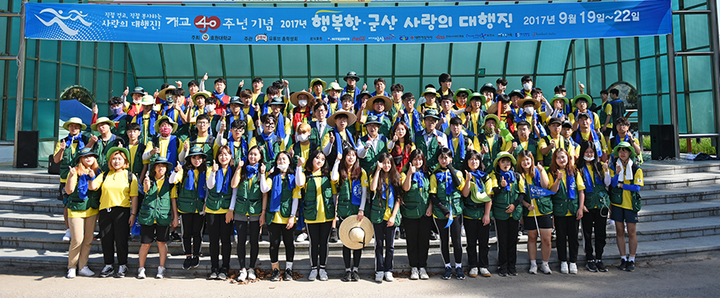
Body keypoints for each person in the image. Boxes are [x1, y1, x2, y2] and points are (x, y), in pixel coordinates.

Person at [89, 147, 139, 278]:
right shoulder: (104, 175)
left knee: (121, 239)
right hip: (105, 210)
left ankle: (123, 264)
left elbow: (134, 196)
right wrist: (90, 177)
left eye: (119, 159)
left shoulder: (130, 176)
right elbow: (93, 187)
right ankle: (108, 264)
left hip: (122, 211)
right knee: (106, 239)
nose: (116, 161)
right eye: (114, 159)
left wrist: (133, 214)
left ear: (125, 161)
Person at [295, 150, 335, 281]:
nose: (320, 161)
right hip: (311, 215)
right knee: (314, 242)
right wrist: (299, 166)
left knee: (324, 243)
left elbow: (334, 193)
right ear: (312, 159)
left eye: (322, 159)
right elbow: (300, 183)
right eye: (317, 158)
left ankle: (322, 268)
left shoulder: (327, 176)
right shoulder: (306, 175)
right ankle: (313, 268)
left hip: (326, 216)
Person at [264, 151, 303, 281]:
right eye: (279, 159)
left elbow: (296, 198)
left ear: (289, 161)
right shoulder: (272, 177)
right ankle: (275, 269)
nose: (281, 161)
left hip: (288, 216)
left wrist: (292, 216)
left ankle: (288, 269)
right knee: (274, 244)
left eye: (284, 159)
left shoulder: (293, 177)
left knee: (289, 243)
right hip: (273, 216)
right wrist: (263, 173)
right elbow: (264, 189)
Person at [137, 156, 178, 279]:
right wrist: (146, 185)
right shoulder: (148, 180)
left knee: (162, 243)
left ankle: (161, 268)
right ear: (154, 168)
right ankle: (141, 268)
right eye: (159, 166)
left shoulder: (170, 182)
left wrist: (175, 217)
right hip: (148, 216)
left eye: (164, 166)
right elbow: (145, 192)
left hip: (163, 216)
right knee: (145, 243)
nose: (161, 168)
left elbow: (173, 200)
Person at [54, 117, 95, 241]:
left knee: (84, 202)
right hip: (66, 178)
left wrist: (92, 143)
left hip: (83, 177)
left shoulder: (85, 139)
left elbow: (86, 154)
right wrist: (62, 149)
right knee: (67, 205)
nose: (74, 128)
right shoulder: (62, 141)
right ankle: (69, 229)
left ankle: (84, 229)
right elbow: (56, 160)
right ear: (68, 127)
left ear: (80, 128)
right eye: (72, 126)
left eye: (76, 126)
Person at [331, 147, 368, 282]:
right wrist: (337, 161)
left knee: (357, 240)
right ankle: (347, 270)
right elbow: (333, 178)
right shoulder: (340, 172)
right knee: (346, 242)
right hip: (343, 211)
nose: (351, 158)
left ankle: (356, 269)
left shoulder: (361, 172)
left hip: (357, 211)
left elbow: (364, 192)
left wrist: (362, 209)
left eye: (353, 155)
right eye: (348, 155)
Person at [64, 148, 101, 278]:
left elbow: (94, 188)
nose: (88, 158)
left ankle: (83, 266)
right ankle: (72, 267)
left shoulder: (97, 171)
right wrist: (72, 176)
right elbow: (69, 191)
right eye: (85, 157)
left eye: (91, 156)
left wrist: (92, 177)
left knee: (88, 240)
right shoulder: (75, 171)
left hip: (91, 209)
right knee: (77, 240)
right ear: (81, 159)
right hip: (76, 209)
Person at [230, 145, 265, 282]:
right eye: (251, 154)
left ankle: (251, 268)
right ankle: (242, 269)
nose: (253, 157)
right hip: (241, 209)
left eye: (256, 155)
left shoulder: (262, 171)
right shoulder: (242, 170)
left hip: (256, 210)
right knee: (241, 241)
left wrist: (262, 213)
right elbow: (234, 186)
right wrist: (238, 168)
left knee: (254, 241)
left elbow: (264, 193)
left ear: (260, 157)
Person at [430, 147, 466, 280]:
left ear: (450, 158)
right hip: (441, 212)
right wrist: (444, 211)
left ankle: (458, 266)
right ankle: (447, 266)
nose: (444, 160)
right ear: (438, 159)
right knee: (444, 240)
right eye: (441, 158)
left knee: (456, 240)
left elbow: (459, 185)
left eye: (446, 157)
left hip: (456, 210)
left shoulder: (458, 173)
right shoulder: (435, 175)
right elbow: (433, 196)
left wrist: (451, 168)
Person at [576, 141, 612, 273]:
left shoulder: (600, 166)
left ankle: (599, 258)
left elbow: (607, 183)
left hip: (601, 203)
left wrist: (607, 171)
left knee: (600, 233)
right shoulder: (578, 168)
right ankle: (589, 258)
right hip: (587, 204)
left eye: (591, 152)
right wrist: (581, 205)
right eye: (587, 152)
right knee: (587, 233)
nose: (589, 154)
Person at [486, 151, 524, 277]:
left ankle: (512, 266)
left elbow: (522, 193)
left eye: (508, 161)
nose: (506, 164)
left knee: (513, 240)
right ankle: (502, 266)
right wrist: (501, 187)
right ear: (498, 163)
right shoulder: (494, 176)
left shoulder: (517, 176)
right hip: (500, 212)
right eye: (503, 162)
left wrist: (514, 205)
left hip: (514, 212)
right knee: (502, 240)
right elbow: (493, 192)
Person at [548, 148, 585, 274]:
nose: (561, 160)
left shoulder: (574, 172)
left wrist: (580, 207)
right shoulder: (552, 173)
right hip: (560, 210)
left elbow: (580, 190)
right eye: (558, 158)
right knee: (561, 237)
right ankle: (563, 260)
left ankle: (573, 261)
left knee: (573, 237)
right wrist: (558, 179)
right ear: (555, 160)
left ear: (568, 158)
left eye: (563, 157)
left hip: (573, 209)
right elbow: (552, 191)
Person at [516, 150, 553, 275]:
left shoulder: (537, 171)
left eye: (528, 159)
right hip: (530, 211)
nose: (526, 162)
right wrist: (526, 205)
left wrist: (542, 171)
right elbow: (518, 195)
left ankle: (545, 263)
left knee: (546, 239)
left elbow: (545, 185)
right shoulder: (518, 175)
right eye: (523, 160)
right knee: (532, 238)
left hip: (543, 209)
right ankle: (533, 263)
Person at [609, 141, 644, 272]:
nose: (622, 153)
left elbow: (637, 187)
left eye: (625, 150)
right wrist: (617, 174)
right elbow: (612, 184)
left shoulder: (636, 168)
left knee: (631, 232)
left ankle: (632, 259)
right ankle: (623, 258)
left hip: (630, 204)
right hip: (617, 203)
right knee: (619, 231)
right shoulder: (614, 166)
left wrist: (622, 185)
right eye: (620, 150)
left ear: (630, 153)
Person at [368, 152, 402, 283]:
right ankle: (379, 270)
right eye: (384, 163)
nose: (386, 165)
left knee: (390, 246)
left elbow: (399, 199)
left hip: (390, 216)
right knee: (379, 245)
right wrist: (377, 170)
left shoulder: (396, 177)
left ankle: (388, 270)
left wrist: (393, 216)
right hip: (378, 215)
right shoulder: (377, 176)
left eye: (389, 163)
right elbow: (372, 188)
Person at [172, 146, 207, 271]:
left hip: (199, 207)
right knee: (186, 233)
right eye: (194, 157)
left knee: (197, 233)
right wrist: (176, 171)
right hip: (186, 207)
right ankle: (187, 255)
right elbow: (173, 180)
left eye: (199, 158)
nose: (197, 160)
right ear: (189, 159)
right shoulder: (184, 170)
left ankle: (196, 254)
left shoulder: (205, 171)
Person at [205, 146, 236, 280]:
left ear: (230, 157)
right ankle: (214, 267)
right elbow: (210, 186)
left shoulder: (234, 170)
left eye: (226, 154)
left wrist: (231, 210)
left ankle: (225, 267)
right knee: (213, 240)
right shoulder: (211, 169)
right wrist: (213, 172)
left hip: (226, 209)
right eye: (221, 155)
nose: (223, 157)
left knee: (225, 240)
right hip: (212, 208)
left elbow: (234, 191)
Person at [400, 149, 431, 280]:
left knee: (424, 241)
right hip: (410, 213)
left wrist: (430, 207)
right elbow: (405, 188)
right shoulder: (404, 173)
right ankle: (413, 267)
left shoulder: (427, 174)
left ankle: (422, 266)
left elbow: (431, 193)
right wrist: (409, 174)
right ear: (410, 160)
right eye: (415, 159)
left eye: (420, 159)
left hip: (425, 212)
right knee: (411, 241)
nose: (418, 162)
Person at [460, 150, 492, 278]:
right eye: (471, 159)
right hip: (469, 213)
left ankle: (483, 265)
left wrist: (487, 214)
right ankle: (473, 265)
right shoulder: (463, 176)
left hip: (482, 212)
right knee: (471, 242)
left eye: (477, 159)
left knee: (484, 242)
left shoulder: (486, 177)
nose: (474, 162)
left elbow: (489, 196)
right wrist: (468, 180)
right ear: (467, 161)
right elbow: (465, 194)